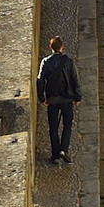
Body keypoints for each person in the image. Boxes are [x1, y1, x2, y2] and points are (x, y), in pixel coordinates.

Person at [36, 34, 82, 164]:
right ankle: (64, 149)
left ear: (50, 47)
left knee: (53, 127)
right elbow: (75, 79)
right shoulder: (68, 61)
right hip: (67, 98)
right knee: (67, 124)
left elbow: (40, 81)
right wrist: (78, 97)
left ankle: (55, 154)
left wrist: (42, 98)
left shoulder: (45, 62)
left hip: (52, 100)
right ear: (62, 47)